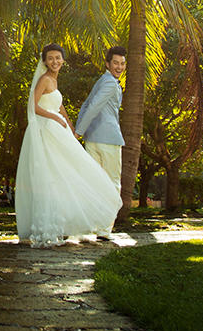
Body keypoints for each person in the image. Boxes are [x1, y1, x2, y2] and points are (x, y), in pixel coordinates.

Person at [14, 43, 121, 246]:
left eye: (58, 58)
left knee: (65, 174)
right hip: (46, 131)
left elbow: (59, 105)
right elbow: (33, 106)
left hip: (58, 130)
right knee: (52, 175)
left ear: (63, 60)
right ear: (45, 61)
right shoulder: (44, 80)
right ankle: (47, 226)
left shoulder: (54, 80)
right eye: (51, 58)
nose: (55, 61)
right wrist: (54, 118)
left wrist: (70, 124)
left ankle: (63, 223)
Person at [75, 45, 127, 200]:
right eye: (116, 63)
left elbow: (85, 105)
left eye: (122, 63)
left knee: (93, 184)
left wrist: (81, 130)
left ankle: (95, 224)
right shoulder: (110, 83)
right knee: (113, 184)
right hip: (109, 141)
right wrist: (78, 133)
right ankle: (107, 225)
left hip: (92, 139)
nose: (119, 67)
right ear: (107, 64)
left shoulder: (101, 80)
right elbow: (93, 107)